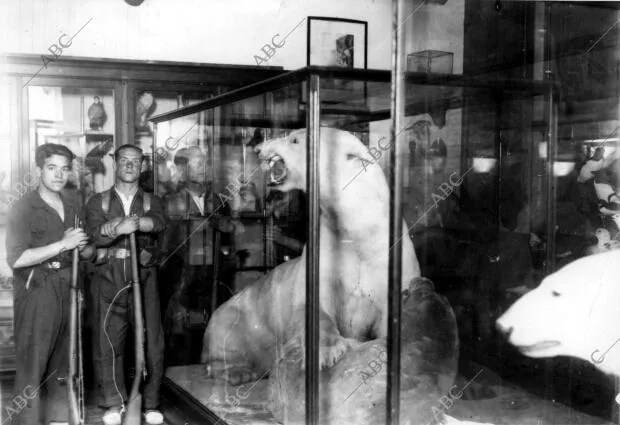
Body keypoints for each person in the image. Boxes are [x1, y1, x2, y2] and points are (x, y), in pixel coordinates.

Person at [6, 143, 94, 425]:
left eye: (64, 169)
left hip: (69, 287)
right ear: (39, 170)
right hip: (38, 290)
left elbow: (83, 250)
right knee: (34, 364)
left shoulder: (73, 203)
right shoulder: (23, 207)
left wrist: (85, 247)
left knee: (65, 362)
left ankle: (58, 420)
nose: (59, 175)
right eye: (52, 168)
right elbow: (17, 258)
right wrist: (62, 244)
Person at [85, 144, 166, 425]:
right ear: (115, 164)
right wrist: (116, 230)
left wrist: (134, 224)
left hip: (145, 279)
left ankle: (151, 402)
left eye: (136, 161)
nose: (130, 166)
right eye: (124, 161)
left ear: (143, 166)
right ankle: (113, 403)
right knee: (108, 342)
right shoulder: (99, 201)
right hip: (109, 281)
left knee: (151, 340)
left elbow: (159, 223)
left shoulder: (152, 200)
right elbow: (94, 236)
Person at [160, 146, 238, 365]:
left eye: (205, 162)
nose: (204, 167)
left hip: (213, 288)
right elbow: (165, 251)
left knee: (212, 345)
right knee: (181, 349)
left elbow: (229, 248)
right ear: (183, 169)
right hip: (181, 289)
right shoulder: (169, 203)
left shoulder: (220, 203)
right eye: (197, 162)